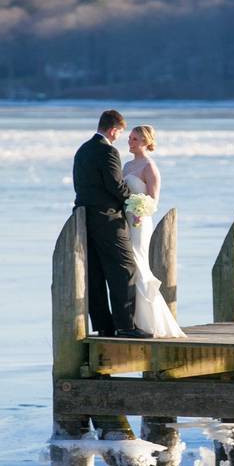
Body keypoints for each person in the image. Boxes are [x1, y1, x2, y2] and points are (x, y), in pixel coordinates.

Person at [72, 110, 150, 339]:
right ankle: (125, 326)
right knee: (124, 269)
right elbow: (115, 186)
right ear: (114, 129)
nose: (119, 138)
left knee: (95, 273)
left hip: (84, 218)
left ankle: (104, 326)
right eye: (120, 133)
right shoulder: (107, 151)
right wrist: (135, 201)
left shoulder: (82, 150)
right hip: (107, 219)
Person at [122, 125, 186, 338]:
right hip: (126, 220)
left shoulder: (149, 167)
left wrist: (139, 211)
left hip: (140, 221)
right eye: (130, 138)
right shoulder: (127, 165)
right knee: (130, 264)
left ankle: (150, 321)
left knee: (139, 264)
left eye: (135, 139)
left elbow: (153, 201)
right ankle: (136, 319)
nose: (130, 142)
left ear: (146, 142)